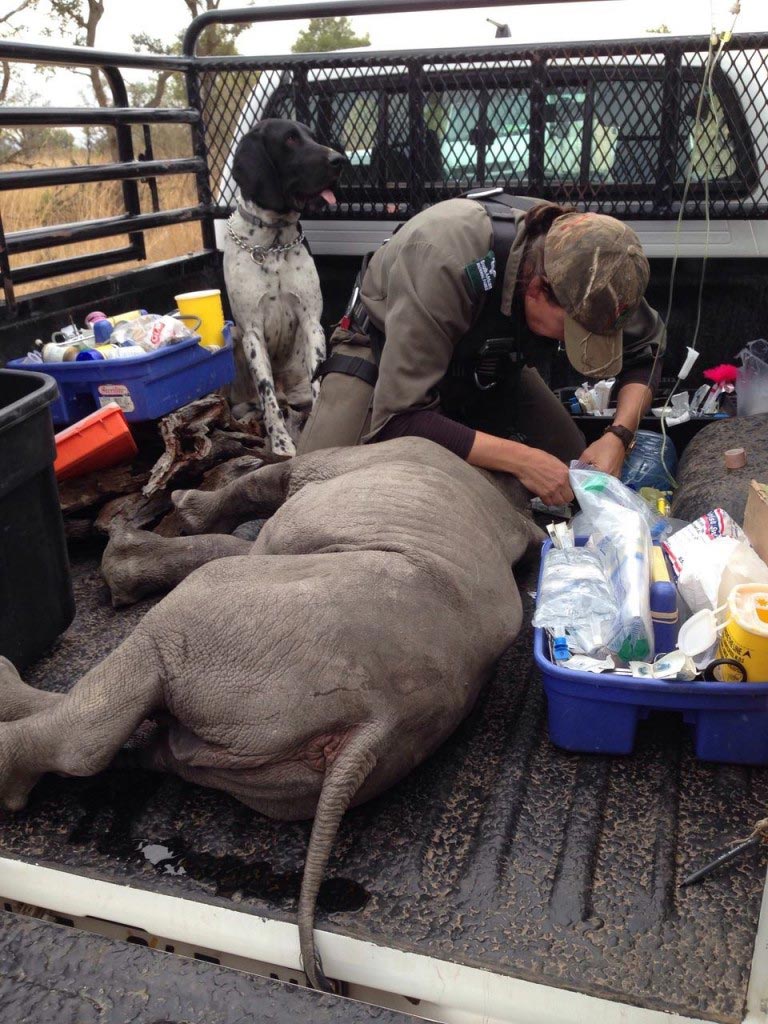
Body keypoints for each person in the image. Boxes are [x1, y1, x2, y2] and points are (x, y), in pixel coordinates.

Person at [356, 194, 665, 506]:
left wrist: (619, 436)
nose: (585, 343)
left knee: (576, 468)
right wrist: (522, 461)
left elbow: (646, 352)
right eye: (576, 333)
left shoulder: (599, 272)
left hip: (490, 362)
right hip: (384, 351)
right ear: (537, 290)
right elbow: (400, 418)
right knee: (340, 486)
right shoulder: (445, 256)